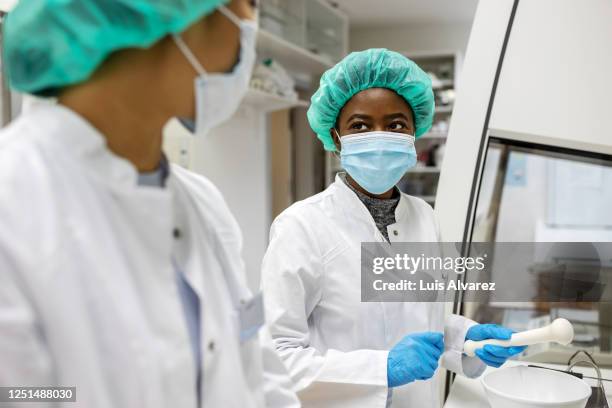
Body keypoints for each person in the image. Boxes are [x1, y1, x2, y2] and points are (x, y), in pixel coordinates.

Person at [0, 1, 300, 407]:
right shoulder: (14, 206)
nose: (249, 28)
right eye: (247, 5)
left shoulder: (202, 204)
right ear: (183, 15)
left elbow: (259, 376)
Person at [260, 49, 524, 408]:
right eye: (360, 125)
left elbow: (418, 321)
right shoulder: (300, 226)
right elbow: (276, 358)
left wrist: (466, 339)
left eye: (397, 125)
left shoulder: (424, 217)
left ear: (415, 133)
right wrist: (381, 368)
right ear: (336, 137)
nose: (379, 136)